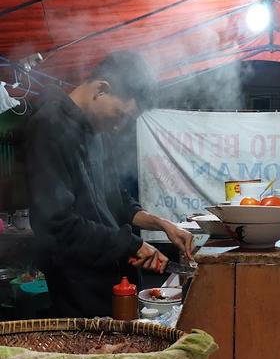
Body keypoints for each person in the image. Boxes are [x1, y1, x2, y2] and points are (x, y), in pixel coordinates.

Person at [25, 50, 193, 317]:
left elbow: (117, 199)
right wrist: (127, 244)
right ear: (101, 89)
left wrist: (161, 224)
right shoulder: (48, 128)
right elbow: (55, 225)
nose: (118, 127)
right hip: (78, 293)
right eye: (121, 115)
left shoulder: (94, 133)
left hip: (114, 286)